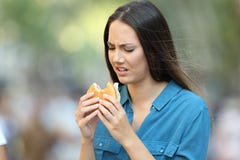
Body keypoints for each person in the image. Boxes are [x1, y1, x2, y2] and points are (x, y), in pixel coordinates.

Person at [75, 0, 211, 159]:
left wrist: (128, 137)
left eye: (128, 49)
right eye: (111, 48)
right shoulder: (106, 105)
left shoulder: (191, 111)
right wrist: (87, 139)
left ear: (153, 50)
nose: (116, 58)